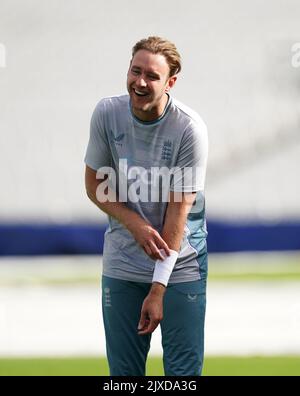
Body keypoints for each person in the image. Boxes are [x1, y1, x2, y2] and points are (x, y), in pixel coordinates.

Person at [84, 36, 208, 376]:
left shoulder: (188, 129)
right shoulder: (107, 113)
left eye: (151, 76)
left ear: (170, 82)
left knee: (182, 376)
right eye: (135, 71)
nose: (139, 82)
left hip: (180, 267)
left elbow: (177, 214)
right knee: (124, 377)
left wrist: (157, 289)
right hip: (123, 264)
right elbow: (94, 185)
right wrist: (133, 222)